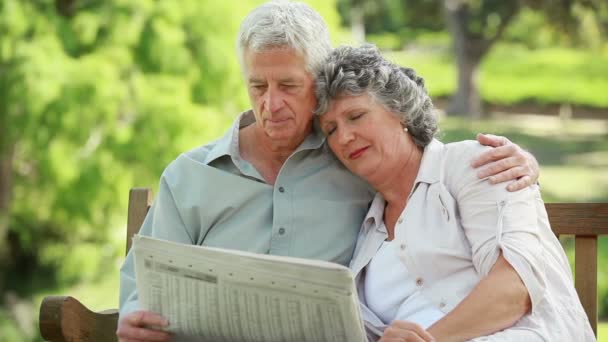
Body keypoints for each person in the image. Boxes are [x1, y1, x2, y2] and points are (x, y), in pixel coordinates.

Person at [116, 2, 541, 341]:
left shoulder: (352, 159)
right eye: (258, 87)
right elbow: (144, 280)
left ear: (319, 84)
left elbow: (419, 158)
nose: (271, 105)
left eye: (288, 86)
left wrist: (524, 163)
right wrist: (135, 314)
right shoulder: (191, 175)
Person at [314, 44, 595, 342]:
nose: (344, 137)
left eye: (355, 116)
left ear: (400, 113)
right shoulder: (367, 230)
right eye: (330, 130)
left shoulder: (476, 165)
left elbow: (514, 289)